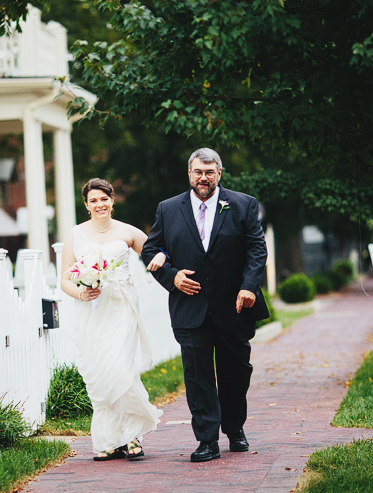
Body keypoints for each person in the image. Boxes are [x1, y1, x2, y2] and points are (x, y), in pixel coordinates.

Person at [141, 148, 269, 462]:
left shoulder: (242, 205)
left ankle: (234, 427)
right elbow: (150, 250)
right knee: (197, 377)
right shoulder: (168, 209)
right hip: (190, 308)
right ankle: (207, 440)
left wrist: (249, 287)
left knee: (235, 374)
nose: (203, 178)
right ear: (189, 173)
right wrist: (172, 278)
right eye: (198, 172)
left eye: (209, 172)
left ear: (219, 174)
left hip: (234, 307)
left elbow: (257, 249)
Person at [60, 178, 167, 461]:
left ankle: (132, 436)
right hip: (91, 310)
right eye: (93, 200)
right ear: (86, 205)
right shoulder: (76, 234)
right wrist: (81, 293)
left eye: (104, 199)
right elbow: (64, 279)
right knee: (99, 373)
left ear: (112, 200)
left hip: (121, 307)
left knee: (119, 368)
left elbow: (157, 250)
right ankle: (109, 440)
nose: (100, 205)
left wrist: (163, 257)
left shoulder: (128, 231)